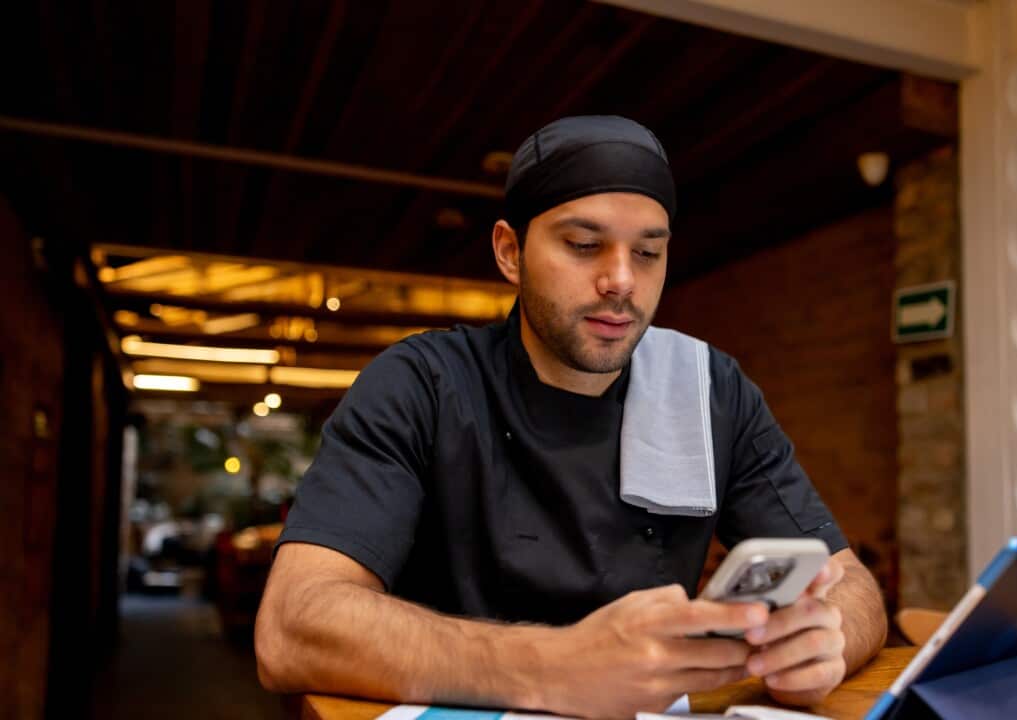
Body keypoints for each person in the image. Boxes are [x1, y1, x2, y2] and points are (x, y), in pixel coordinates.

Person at [254, 115, 887, 719]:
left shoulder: (709, 390)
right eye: (584, 245)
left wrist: (826, 642)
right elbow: (292, 626)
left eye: (647, 253)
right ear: (510, 251)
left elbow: (851, 585)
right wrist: (559, 666)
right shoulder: (423, 384)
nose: (620, 280)